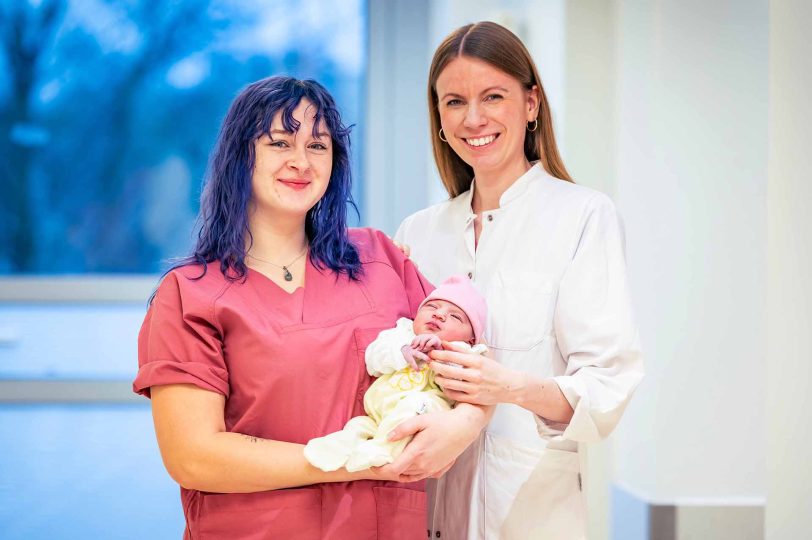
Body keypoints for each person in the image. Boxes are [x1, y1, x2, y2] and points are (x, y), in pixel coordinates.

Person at [133, 76, 436, 539]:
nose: (300, 162)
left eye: (318, 146)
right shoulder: (191, 294)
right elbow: (194, 456)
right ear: (240, 156)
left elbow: (464, 360)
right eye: (279, 142)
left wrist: (463, 426)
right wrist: (353, 460)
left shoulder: (380, 258)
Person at [391, 21, 645, 539]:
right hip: (424, 511)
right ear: (438, 117)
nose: (474, 118)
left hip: (532, 512)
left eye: (493, 96)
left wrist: (508, 387)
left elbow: (605, 384)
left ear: (531, 104)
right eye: (455, 101)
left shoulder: (583, 216)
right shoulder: (417, 233)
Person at [304, 275, 488, 473]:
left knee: (413, 407)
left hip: (422, 411)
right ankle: (336, 448)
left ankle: (383, 449)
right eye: (432, 307)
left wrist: (441, 355)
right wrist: (403, 351)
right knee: (358, 426)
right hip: (377, 411)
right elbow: (373, 360)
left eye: (455, 316)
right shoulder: (402, 332)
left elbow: (465, 383)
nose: (439, 315)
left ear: (471, 340)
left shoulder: (465, 352)